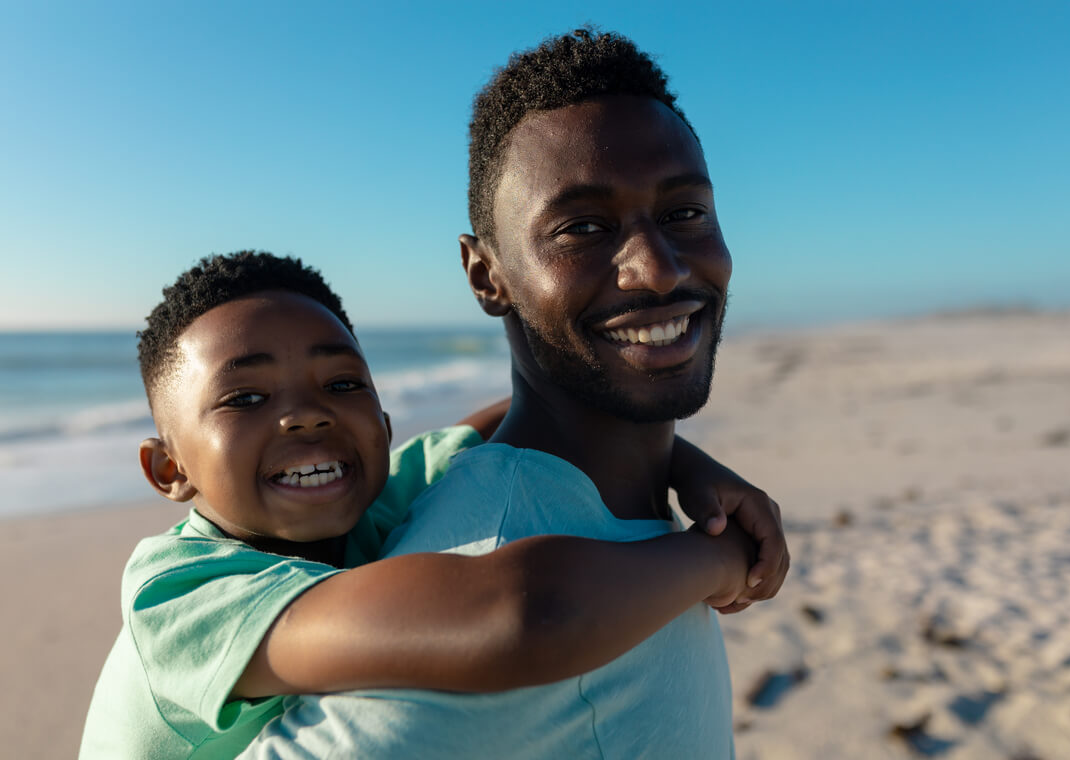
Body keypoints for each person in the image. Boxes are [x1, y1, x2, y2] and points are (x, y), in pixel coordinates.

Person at [240, 28, 788, 759]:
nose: (657, 269)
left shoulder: (607, 508)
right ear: (485, 277)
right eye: (583, 228)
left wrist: (684, 465)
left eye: (685, 213)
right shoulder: (484, 588)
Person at [78, 250, 784, 759]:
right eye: (246, 398)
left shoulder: (376, 499)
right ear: (169, 469)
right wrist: (714, 556)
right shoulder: (180, 596)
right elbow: (516, 617)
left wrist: (692, 464)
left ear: (385, 429)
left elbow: (531, 410)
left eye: (342, 384)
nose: (305, 416)